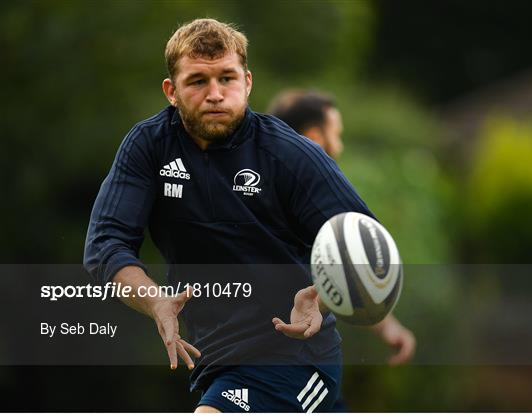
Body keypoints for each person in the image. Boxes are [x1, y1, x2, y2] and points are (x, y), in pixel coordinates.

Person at [84, 19, 377, 413]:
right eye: (198, 81)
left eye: (227, 78)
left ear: (248, 82)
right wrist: (156, 301)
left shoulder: (288, 154)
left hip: (295, 358)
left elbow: (366, 243)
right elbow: (105, 245)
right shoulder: (148, 148)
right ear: (171, 91)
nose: (216, 94)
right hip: (216, 360)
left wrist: (322, 299)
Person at [268, 89, 416, 366]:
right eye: (336, 134)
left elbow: (342, 273)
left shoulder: (260, 182)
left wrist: (385, 324)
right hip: (289, 359)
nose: (340, 146)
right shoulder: (303, 204)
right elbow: (350, 268)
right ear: (314, 138)